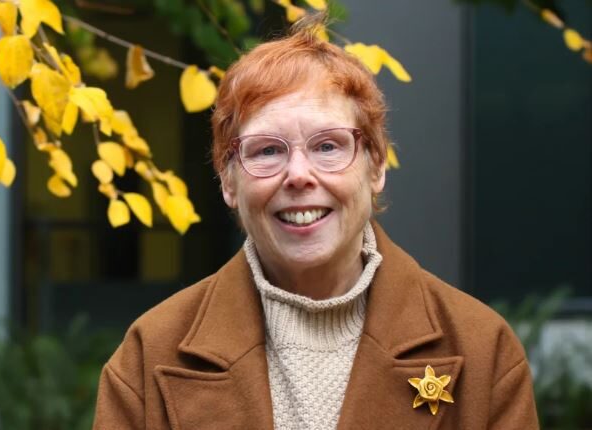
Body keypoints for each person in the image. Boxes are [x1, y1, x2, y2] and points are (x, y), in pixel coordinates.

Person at [93, 24, 539, 430]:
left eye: (328, 145)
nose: (299, 175)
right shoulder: (149, 356)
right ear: (229, 179)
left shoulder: (484, 351)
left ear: (376, 165)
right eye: (267, 150)